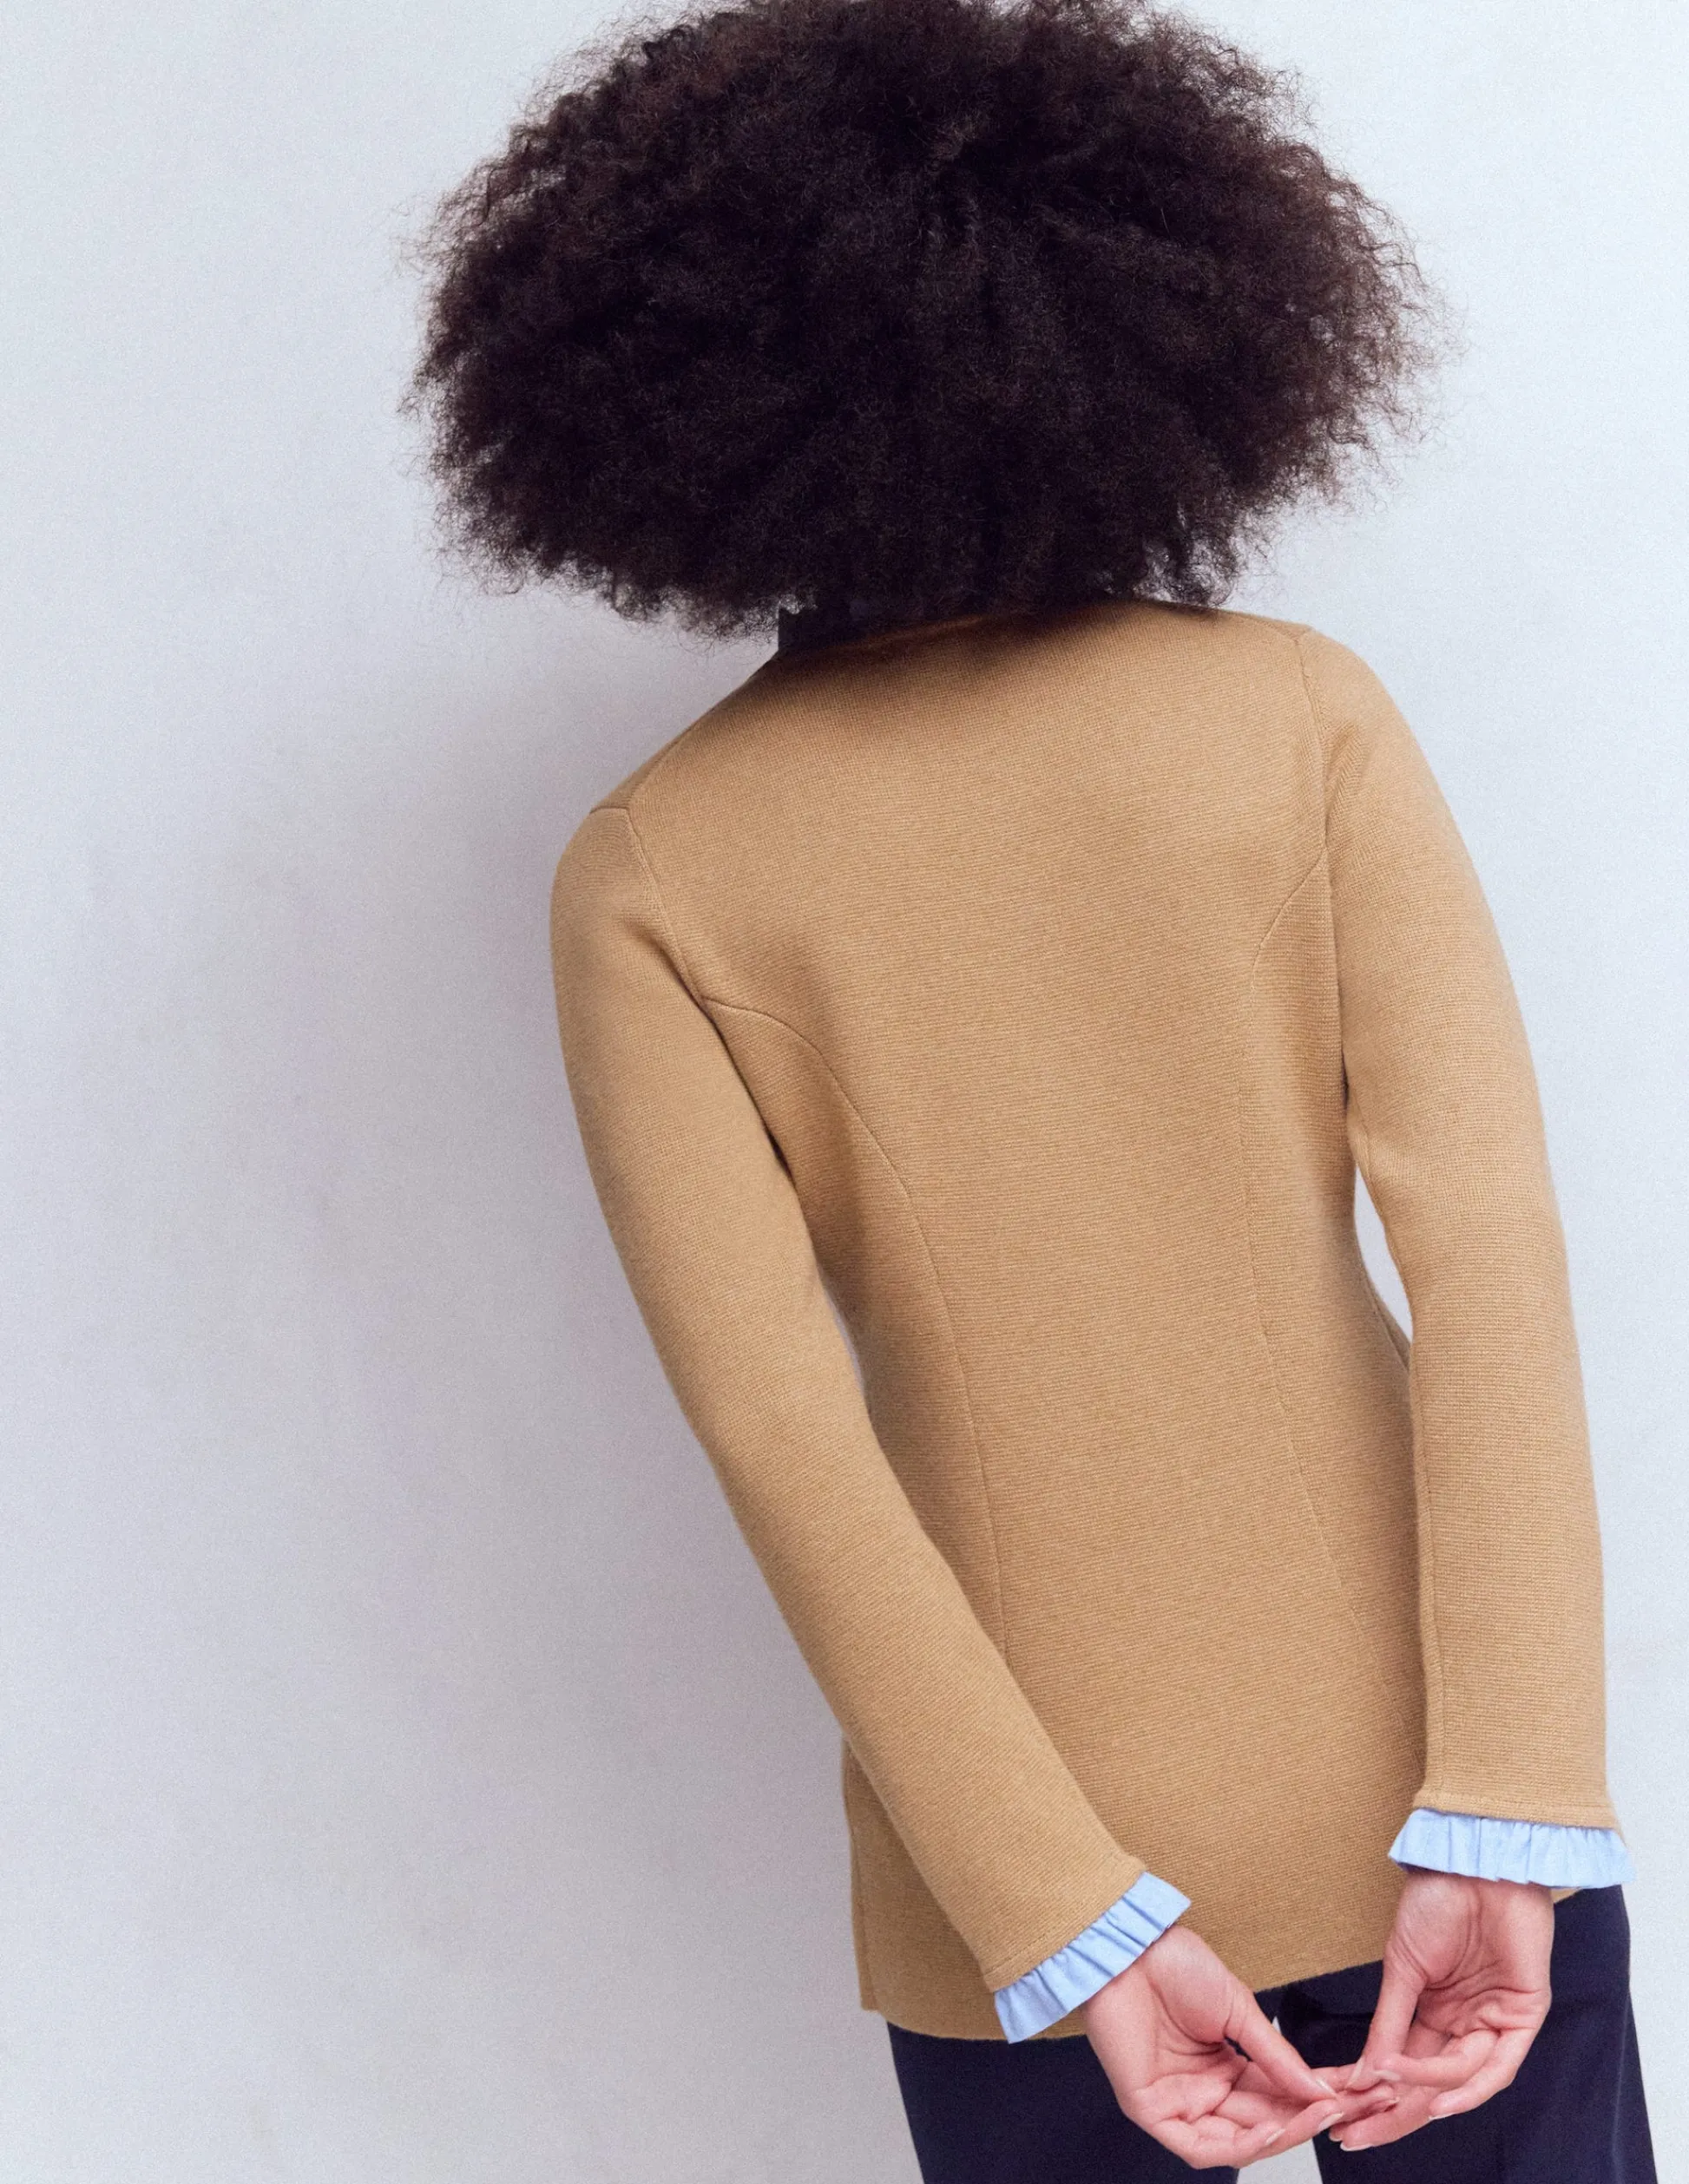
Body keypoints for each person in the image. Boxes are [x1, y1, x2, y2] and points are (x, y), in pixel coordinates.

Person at [408, 1, 1654, 2174]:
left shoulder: (654, 868)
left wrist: (1058, 1910)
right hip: (1434, 1819)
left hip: (1027, 1899)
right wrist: (1513, 1793)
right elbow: (1486, 1256)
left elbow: (781, 1433)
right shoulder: (1298, 717)